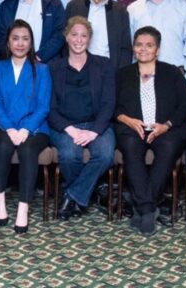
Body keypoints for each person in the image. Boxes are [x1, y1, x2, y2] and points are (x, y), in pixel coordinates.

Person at [114, 26, 186, 236]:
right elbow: (113, 106)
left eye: (149, 45)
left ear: (157, 49)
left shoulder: (173, 72)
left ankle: (141, 207)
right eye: (139, 44)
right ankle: (149, 208)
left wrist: (165, 125)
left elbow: (184, 105)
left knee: (168, 148)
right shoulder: (123, 74)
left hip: (165, 127)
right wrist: (129, 121)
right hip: (133, 127)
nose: (143, 49)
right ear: (133, 48)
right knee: (130, 147)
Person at [49, 17, 116, 221]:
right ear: (66, 37)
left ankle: (71, 196)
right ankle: (90, 192)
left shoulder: (103, 65)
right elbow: (49, 108)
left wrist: (94, 131)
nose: (79, 40)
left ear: (89, 39)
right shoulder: (53, 68)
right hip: (66, 126)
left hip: (97, 125)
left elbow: (108, 103)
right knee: (69, 156)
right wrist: (70, 129)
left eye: (84, 35)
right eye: (74, 34)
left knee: (105, 155)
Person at [0, 20, 51, 233]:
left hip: (35, 127)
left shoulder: (42, 70)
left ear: (31, 43)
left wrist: (25, 129)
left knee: (27, 149)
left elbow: (43, 106)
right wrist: (9, 128)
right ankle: (0, 200)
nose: (20, 43)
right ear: (8, 42)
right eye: (15, 38)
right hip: (2, 124)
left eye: (25, 39)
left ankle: (23, 207)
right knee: (3, 147)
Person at [64, 0, 132, 74]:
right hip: (78, 71)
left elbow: (125, 49)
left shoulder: (120, 11)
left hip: (109, 72)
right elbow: (64, 42)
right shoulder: (74, 7)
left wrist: (120, 74)